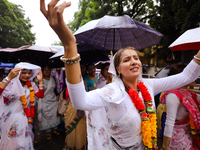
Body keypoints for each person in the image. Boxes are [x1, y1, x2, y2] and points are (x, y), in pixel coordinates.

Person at [40, 1, 200, 149]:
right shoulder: (113, 91)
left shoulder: (149, 85)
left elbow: (187, 77)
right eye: (127, 59)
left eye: (136, 58)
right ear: (117, 69)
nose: (134, 61)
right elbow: (80, 101)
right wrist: (69, 45)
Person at [0, 62, 44, 150]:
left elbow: (40, 95)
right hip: (11, 120)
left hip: (25, 118)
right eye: (23, 72)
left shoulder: (31, 85)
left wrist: (40, 81)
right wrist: (9, 77)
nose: (27, 75)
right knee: (11, 142)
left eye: (29, 72)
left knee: (24, 142)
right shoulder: (10, 84)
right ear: (17, 72)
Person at [159, 64, 200, 150]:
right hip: (178, 141)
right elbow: (169, 122)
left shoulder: (187, 93)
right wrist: (165, 146)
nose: (195, 76)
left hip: (189, 136)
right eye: (192, 74)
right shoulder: (173, 95)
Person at [38, 65, 61, 140]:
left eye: (48, 69)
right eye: (45, 69)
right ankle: (48, 132)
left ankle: (54, 129)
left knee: (54, 115)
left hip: (53, 100)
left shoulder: (53, 78)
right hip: (44, 101)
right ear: (42, 71)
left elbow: (57, 88)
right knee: (46, 118)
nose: (47, 71)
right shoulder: (39, 79)